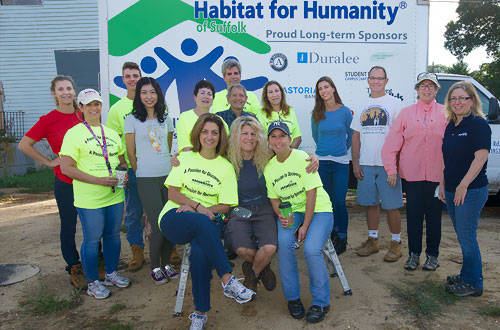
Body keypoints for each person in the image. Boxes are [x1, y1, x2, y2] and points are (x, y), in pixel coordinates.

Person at [158, 113, 255, 330]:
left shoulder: (226, 167)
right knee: (200, 221)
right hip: (175, 217)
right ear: (198, 134)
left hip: (210, 219)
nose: (209, 137)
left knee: (200, 252)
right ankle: (228, 278)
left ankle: (200, 313)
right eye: (205, 132)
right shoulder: (184, 158)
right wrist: (196, 206)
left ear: (221, 136)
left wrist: (198, 210)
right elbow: (173, 193)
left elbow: (225, 205)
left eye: (214, 132)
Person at [60, 89, 130, 299]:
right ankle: (92, 282)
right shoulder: (74, 133)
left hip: (114, 195)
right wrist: (98, 180)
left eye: (97, 104)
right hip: (90, 199)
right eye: (88, 105)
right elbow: (67, 168)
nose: (94, 108)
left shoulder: (110, 133)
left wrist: (123, 176)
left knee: (113, 236)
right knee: (91, 240)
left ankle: (111, 273)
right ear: (80, 108)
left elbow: (122, 160)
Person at [18, 75, 86, 289]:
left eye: (69, 88)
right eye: (61, 89)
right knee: (68, 226)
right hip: (65, 181)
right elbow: (24, 145)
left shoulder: (83, 115)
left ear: (74, 91)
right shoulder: (48, 119)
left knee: (93, 225)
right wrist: (49, 162)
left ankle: (96, 262)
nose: (66, 92)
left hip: (88, 181)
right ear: (54, 94)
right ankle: (74, 267)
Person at [265, 121, 333, 324]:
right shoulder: (269, 168)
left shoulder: (303, 157)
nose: (278, 140)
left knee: (311, 249)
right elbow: (274, 199)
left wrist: (304, 226)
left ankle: (321, 301)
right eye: (274, 136)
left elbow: (311, 193)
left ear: (289, 138)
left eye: (282, 136)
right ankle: (293, 298)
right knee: (284, 243)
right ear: (268, 141)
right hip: (292, 211)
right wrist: (282, 216)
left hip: (318, 209)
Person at [382, 72, 447, 271]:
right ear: (417, 90)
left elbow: (453, 146)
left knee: (435, 218)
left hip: (438, 176)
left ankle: (432, 256)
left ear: (437, 90)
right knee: (414, 216)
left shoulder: (446, 113)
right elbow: (391, 145)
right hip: (412, 176)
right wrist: (391, 170)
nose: (426, 89)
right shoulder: (406, 113)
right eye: (423, 86)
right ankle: (413, 255)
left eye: (431, 86)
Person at [124, 77, 179, 285]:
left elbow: (166, 147)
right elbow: (131, 151)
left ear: (158, 95)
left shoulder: (166, 118)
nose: (149, 96)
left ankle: (166, 264)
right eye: (144, 92)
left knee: (170, 222)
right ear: (139, 95)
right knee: (157, 225)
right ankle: (155, 266)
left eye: (153, 92)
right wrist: (139, 171)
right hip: (145, 178)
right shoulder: (132, 119)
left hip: (167, 176)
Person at [439, 81, 491, 297]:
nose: (457, 102)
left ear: (472, 100)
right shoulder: (451, 125)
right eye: (453, 98)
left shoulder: (478, 125)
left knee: (467, 236)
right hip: (451, 190)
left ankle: (474, 283)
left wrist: (463, 185)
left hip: (470, 190)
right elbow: (447, 160)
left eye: (462, 98)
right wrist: (442, 185)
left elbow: (481, 157)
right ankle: (466, 274)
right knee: (462, 235)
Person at [351, 66, 403, 262]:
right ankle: (373, 241)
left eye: (379, 78)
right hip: (366, 163)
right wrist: (355, 163)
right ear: (368, 80)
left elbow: (400, 137)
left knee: (391, 206)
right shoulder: (362, 104)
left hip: (387, 165)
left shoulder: (395, 104)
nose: (376, 81)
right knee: (370, 204)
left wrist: (395, 166)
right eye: (372, 78)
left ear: (386, 81)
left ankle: (396, 243)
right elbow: (356, 136)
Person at [106, 62, 145, 272]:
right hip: (131, 169)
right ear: (123, 80)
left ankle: (170, 249)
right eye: (128, 76)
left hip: (154, 167)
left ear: (141, 77)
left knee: (160, 208)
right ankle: (137, 251)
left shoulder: (151, 102)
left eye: (135, 75)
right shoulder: (117, 109)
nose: (132, 79)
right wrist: (123, 167)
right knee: (133, 212)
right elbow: (113, 141)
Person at [311, 76, 353, 255]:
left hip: (340, 162)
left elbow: (351, 136)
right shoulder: (317, 113)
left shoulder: (345, 112)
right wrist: (325, 151)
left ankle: (342, 236)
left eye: (326, 87)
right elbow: (315, 136)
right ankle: (332, 233)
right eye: (320, 88)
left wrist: (340, 150)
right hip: (322, 163)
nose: (324, 91)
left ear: (333, 88)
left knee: (339, 201)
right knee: (326, 202)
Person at [176, 80, 229, 152]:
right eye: (202, 93)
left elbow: (224, 146)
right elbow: (186, 148)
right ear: (195, 97)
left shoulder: (219, 120)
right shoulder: (184, 117)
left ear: (213, 99)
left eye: (209, 94)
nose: (206, 96)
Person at [256, 81, 302, 148]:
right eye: (270, 92)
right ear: (267, 97)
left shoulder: (290, 110)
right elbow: (260, 139)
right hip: (270, 155)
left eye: (276, 91)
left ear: (281, 93)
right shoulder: (261, 113)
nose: (274, 95)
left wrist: (289, 153)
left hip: (291, 152)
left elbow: (297, 137)